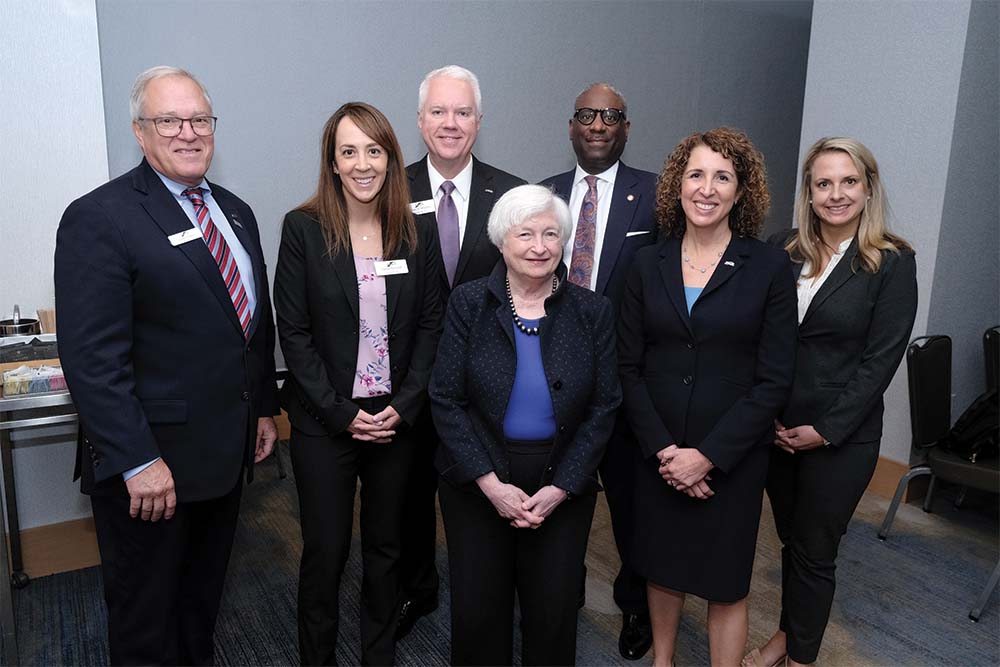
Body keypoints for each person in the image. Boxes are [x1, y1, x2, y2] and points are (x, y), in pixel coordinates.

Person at [55, 65, 279, 665]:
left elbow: (251, 327)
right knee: (146, 624)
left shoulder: (235, 212)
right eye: (169, 120)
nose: (188, 132)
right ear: (140, 131)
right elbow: (92, 358)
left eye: (199, 119)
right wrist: (136, 459)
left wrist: (262, 408)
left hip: (222, 457)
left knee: (199, 609)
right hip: (151, 470)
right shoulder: (100, 217)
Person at [617, 128, 797, 667]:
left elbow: (774, 379)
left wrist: (709, 457)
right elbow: (627, 366)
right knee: (662, 567)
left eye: (723, 177)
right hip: (660, 451)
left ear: (741, 192)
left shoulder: (768, 267)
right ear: (678, 185)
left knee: (726, 581)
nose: (707, 188)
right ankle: (663, 661)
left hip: (732, 457)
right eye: (696, 174)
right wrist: (666, 453)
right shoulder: (646, 263)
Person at [273, 102, 443, 665]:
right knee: (325, 552)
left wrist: (407, 403)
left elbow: (430, 324)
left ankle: (379, 657)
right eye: (349, 151)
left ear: (391, 159)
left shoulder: (417, 229)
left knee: (387, 550)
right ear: (333, 161)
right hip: (327, 421)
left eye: (374, 150)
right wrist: (342, 413)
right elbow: (293, 333)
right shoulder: (302, 229)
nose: (363, 163)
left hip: (396, 419)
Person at [430, 184, 621, 665]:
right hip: (479, 478)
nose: (540, 246)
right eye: (526, 234)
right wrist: (491, 485)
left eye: (551, 234)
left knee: (554, 612)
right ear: (501, 241)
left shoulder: (592, 310)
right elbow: (446, 399)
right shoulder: (469, 304)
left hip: (562, 478)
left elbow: (604, 407)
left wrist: (562, 486)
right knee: (478, 613)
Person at [744, 138, 917, 667]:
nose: (835, 194)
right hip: (776, 429)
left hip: (839, 438)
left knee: (816, 552)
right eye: (824, 183)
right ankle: (787, 636)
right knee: (790, 543)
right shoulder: (782, 247)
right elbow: (760, 335)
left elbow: (880, 361)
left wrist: (825, 429)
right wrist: (762, 411)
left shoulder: (891, 261)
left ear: (868, 189)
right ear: (809, 192)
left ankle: (801, 657)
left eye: (848, 182)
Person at [396, 64, 526, 640]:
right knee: (406, 495)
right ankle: (417, 589)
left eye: (463, 112)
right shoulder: (387, 189)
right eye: (440, 112)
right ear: (421, 120)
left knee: (487, 491)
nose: (451, 123)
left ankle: (496, 595)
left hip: (486, 382)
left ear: (479, 121)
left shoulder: (515, 194)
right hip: (407, 376)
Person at [539, 81, 658, 660]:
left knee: (634, 503)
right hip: (555, 379)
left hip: (628, 379)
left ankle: (635, 605)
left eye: (611, 115)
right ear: (571, 125)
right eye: (586, 113)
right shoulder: (543, 195)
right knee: (558, 493)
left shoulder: (657, 197)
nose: (597, 124)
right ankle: (561, 593)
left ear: (626, 128)